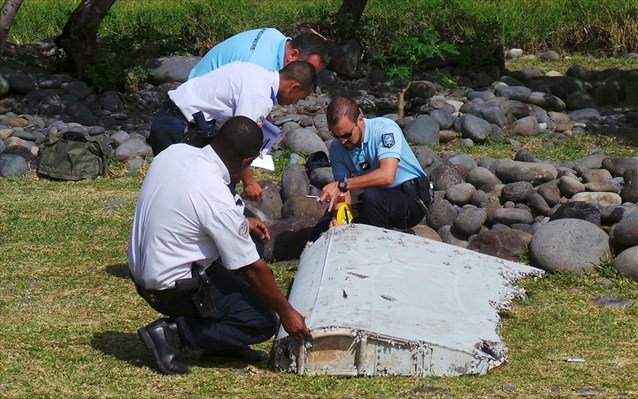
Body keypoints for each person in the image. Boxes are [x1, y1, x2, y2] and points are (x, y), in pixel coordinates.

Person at [129, 116, 312, 375]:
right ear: (246, 161)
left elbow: (188, 208)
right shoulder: (214, 193)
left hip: (143, 270)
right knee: (259, 321)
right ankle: (172, 333)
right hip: (170, 288)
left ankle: (221, 343)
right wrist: (287, 312)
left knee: (252, 245)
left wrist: (243, 222)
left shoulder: (175, 152)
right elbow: (253, 269)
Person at [147, 60, 317, 201]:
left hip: (170, 116)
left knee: (169, 186)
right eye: (300, 97)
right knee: (181, 192)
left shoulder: (254, 70)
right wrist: (249, 181)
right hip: (181, 128)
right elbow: (240, 142)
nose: (295, 103)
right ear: (294, 86)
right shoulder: (260, 96)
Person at [311, 96, 433, 239]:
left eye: (347, 135)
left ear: (360, 120)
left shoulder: (385, 129)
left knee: (372, 197)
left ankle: (378, 244)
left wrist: (342, 184)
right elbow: (343, 193)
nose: (342, 141)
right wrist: (339, 218)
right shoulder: (337, 148)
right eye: (336, 135)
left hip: (410, 201)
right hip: (377, 200)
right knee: (323, 228)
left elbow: (387, 176)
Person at [188, 28, 326, 80]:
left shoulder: (274, 35)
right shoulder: (260, 67)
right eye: (309, 70)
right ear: (293, 55)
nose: (309, 79)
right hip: (195, 106)